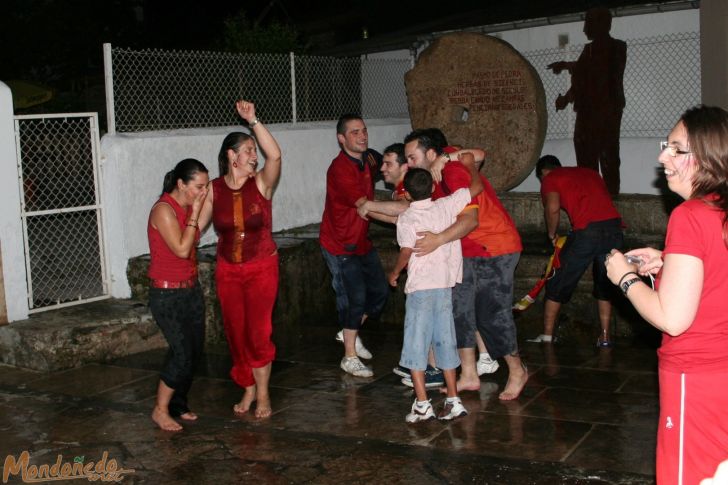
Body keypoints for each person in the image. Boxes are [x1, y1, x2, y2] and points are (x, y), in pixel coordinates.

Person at [605, 105, 728, 485]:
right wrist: (671, 262)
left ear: (706, 158)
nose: (663, 157)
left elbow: (672, 319)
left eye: (676, 149)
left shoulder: (690, 215)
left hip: (697, 375)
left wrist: (625, 278)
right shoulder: (719, 214)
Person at [361, 129, 526, 400]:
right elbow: (409, 211)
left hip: (495, 247)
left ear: (431, 154)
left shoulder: (450, 171)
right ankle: (469, 374)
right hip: (466, 252)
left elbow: (470, 219)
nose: (409, 164)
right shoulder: (430, 181)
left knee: (491, 315)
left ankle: (517, 370)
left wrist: (437, 239)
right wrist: (370, 206)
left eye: (412, 157)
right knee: (459, 311)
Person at [198, 100, 281, 418]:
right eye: (247, 150)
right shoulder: (214, 190)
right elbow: (198, 225)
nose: (253, 154)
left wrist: (253, 122)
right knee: (235, 332)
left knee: (259, 332)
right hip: (228, 270)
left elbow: (274, 155)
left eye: (253, 149)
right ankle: (247, 386)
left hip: (262, 267)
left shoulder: (261, 183)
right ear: (232, 156)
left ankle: (263, 395)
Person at [389, 165, 482, 422]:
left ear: (406, 194)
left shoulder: (407, 218)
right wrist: (472, 168)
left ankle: (422, 404)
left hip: (420, 289)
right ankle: (453, 400)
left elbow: (406, 252)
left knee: (416, 347)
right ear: (432, 187)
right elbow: (476, 187)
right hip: (443, 287)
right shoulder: (445, 206)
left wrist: (394, 272)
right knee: (445, 342)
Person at [320, 113, 389, 377]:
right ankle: (349, 356)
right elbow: (365, 205)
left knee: (380, 292)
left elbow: (389, 165)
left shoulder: (369, 158)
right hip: (339, 244)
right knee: (354, 298)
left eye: (363, 130)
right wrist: (405, 215)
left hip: (361, 241)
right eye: (354, 132)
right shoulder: (340, 169)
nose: (362, 136)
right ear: (341, 138)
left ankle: (350, 331)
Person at [530, 155, 624, 347]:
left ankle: (548, 337)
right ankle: (605, 337)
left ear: (543, 173)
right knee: (605, 283)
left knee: (557, 281)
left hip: (587, 233)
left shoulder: (550, 178)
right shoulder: (590, 173)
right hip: (615, 230)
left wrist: (551, 234)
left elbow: (553, 208)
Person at [147, 158, 209, 431]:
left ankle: (178, 404)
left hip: (190, 289)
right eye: (198, 187)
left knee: (193, 351)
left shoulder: (187, 206)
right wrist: (195, 210)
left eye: (205, 186)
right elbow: (183, 249)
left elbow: (199, 226)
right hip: (166, 294)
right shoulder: (164, 210)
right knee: (181, 353)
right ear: (181, 184)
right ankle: (160, 410)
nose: (202, 192)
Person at [547, 7, 626, 196]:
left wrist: (568, 67)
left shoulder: (617, 47)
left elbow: (593, 73)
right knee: (586, 158)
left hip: (605, 113)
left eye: (588, 23)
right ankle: (593, 197)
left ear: (602, 24)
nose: (584, 29)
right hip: (589, 112)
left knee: (607, 158)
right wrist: (566, 97)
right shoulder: (590, 50)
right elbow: (585, 76)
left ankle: (609, 199)